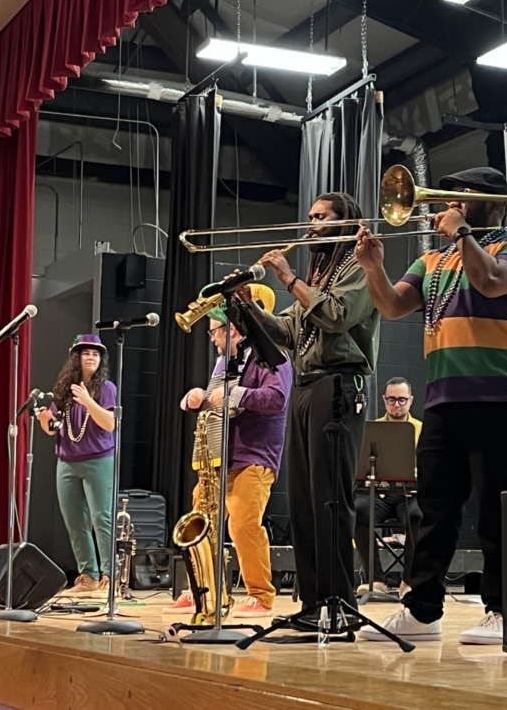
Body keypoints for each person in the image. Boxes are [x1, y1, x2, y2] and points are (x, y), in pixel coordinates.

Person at [353, 167, 507, 645]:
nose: (449, 202)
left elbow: (492, 282)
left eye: (463, 196)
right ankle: (422, 611)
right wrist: (374, 267)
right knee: (431, 509)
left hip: (501, 394)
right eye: (450, 194)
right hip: (444, 396)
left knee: (500, 509)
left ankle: (504, 611)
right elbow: (393, 307)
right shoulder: (434, 259)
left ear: (493, 205)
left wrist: (461, 233)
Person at [239, 191, 380, 623]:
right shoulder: (317, 269)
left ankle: (340, 605)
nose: (311, 223)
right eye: (310, 215)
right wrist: (249, 308)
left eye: (321, 217)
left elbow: (337, 316)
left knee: (330, 499)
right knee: (302, 500)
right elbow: (288, 331)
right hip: (305, 385)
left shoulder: (359, 267)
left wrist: (287, 280)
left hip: (338, 384)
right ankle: (313, 603)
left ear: (343, 221)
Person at [164, 292, 292, 619]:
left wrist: (233, 393)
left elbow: (277, 398)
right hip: (221, 456)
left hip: (255, 454)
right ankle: (202, 591)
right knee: (200, 520)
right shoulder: (224, 362)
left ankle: (260, 594)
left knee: (243, 523)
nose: (212, 338)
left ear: (232, 330)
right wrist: (198, 398)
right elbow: (219, 401)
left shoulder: (272, 355)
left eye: (214, 331)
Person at [36, 334, 116, 595]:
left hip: (98, 460)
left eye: (96, 353)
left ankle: (109, 575)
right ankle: (88, 575)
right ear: (76, 358)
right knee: (74, 522)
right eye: (86, 353)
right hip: (67, 462)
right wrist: (45, 419)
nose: (91, 357)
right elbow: (53, 428)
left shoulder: (106, 388)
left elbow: (109, 423)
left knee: (101, 518)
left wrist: (88, 401)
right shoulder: (63, 389)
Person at [354, 377, 423, 597]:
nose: (397, 404)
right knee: (358, 512)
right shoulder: (373, 429)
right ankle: (375, 579)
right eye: (392, 399)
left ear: (411, 401)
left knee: (418, 517)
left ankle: (408, 581)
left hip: (410, 494)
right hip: (381, 493)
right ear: (384, 400)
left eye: (402, 400)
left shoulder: (422, 429)